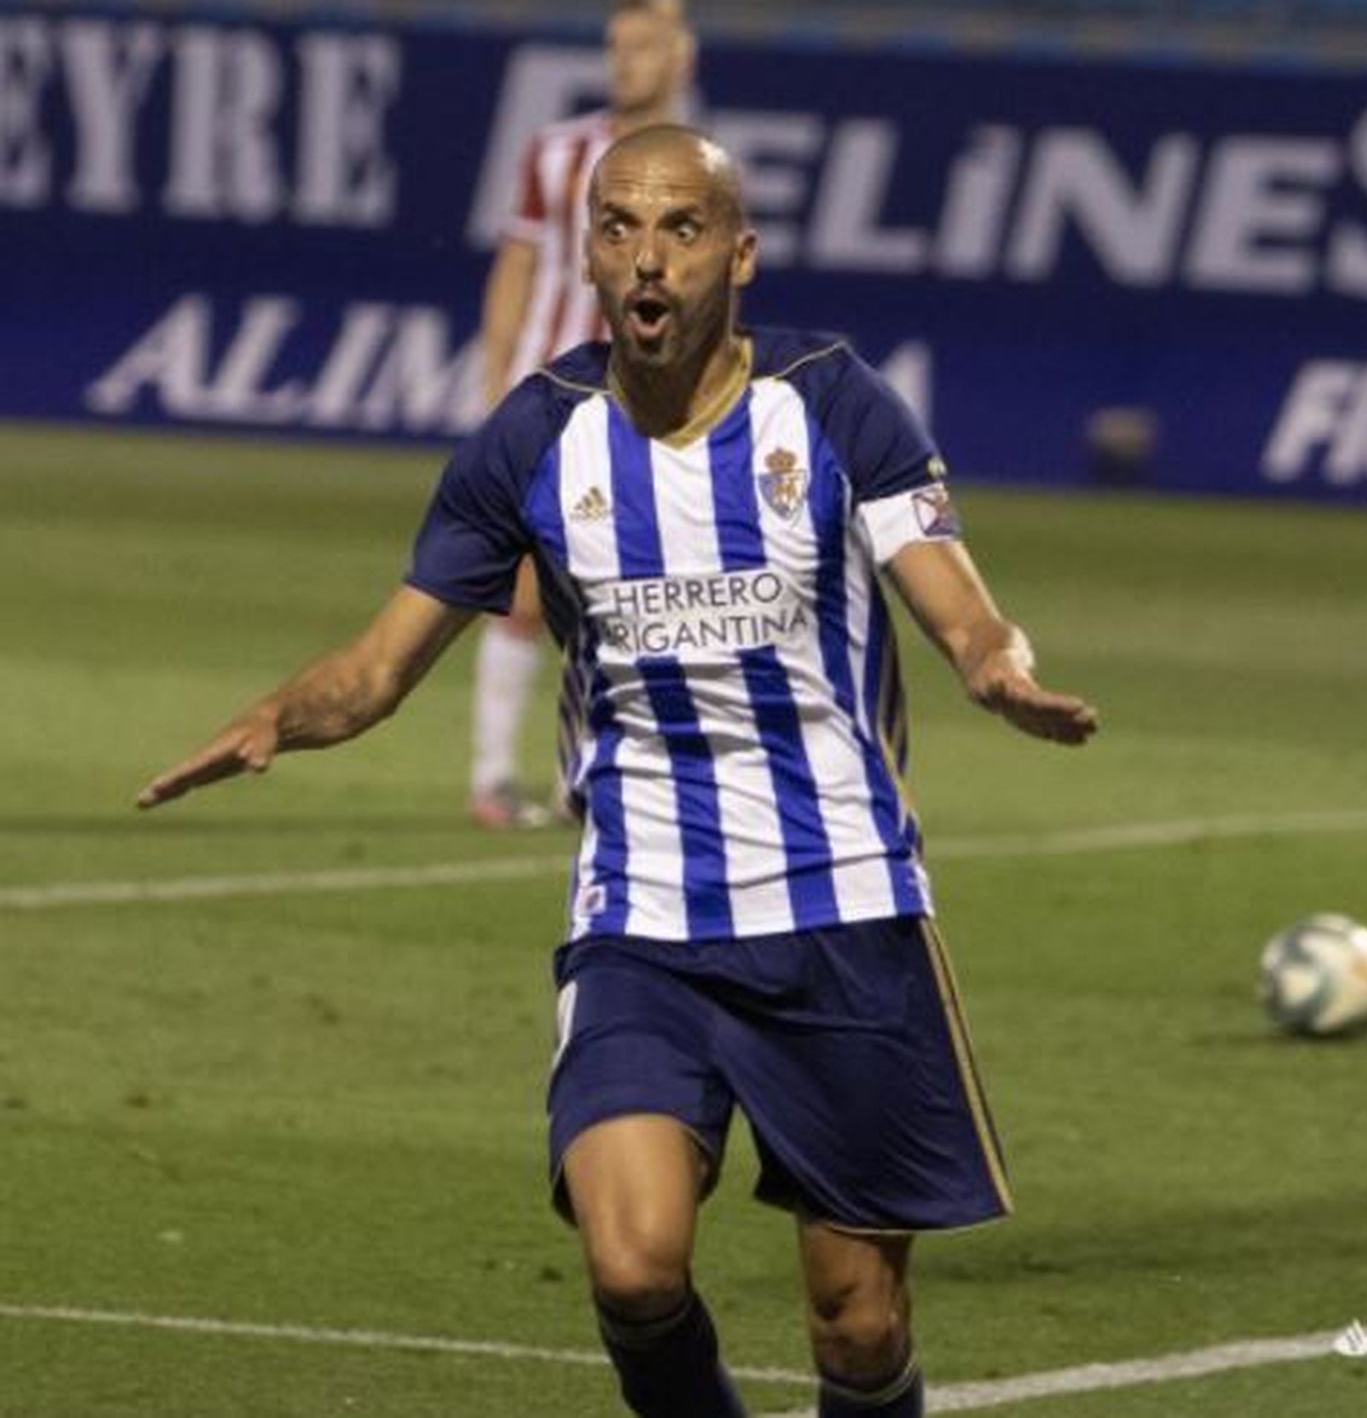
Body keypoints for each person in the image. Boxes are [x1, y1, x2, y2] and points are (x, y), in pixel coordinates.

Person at [138, 126, 1099, 1417]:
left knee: (856, 1328)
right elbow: (377, 670)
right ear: (590, 251)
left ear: (739, 255)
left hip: (843, 911)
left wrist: (995, 669)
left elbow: (959, 604)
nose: (649, 259)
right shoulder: (533, 441)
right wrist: (273, 718)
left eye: (683, 229)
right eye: (620, 228)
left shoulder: (831, 401)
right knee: (634, 1268)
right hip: (641, 925)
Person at [471, 0, 696, 829]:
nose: (624, 62)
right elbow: (518, 268)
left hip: (649, 403)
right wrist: (496, 384)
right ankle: (493, 776)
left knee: (637, 591)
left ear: (681, 58)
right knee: (529, 585)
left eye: (641, 46)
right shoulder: (559, 153)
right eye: (616, 46)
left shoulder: (701, 166)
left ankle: (594, 776)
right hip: (554, 391)